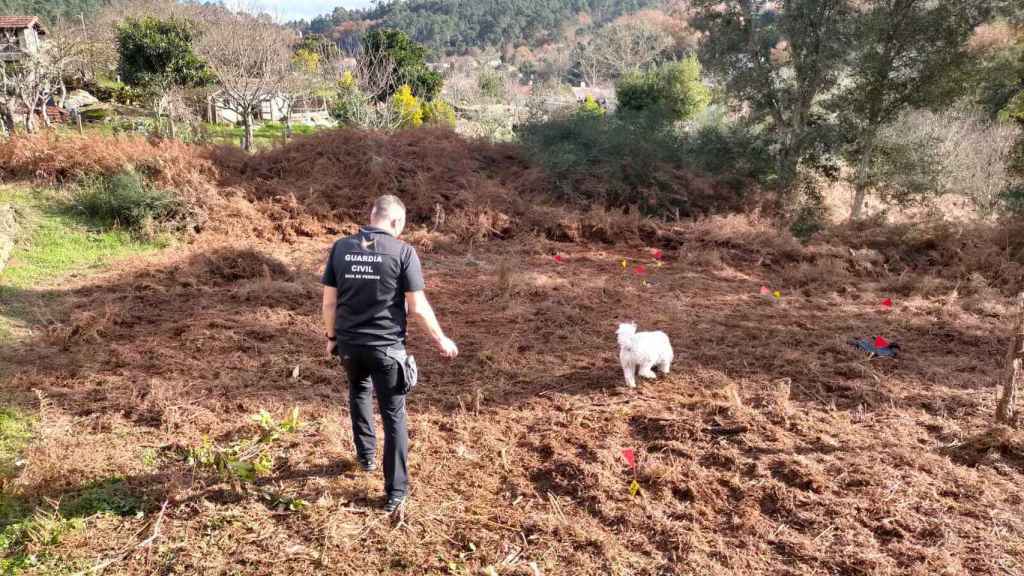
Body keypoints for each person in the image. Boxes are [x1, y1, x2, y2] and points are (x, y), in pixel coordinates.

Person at [321, 195, 458, 513]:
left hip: (351, 345)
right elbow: (418, 307)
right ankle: (395, 491)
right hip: (387, 349)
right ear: (396, 222)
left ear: (372, 216)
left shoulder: (341, 248)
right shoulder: (403, 252)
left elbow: (329, 303)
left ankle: (365, 456)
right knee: (394, 416)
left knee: (358, 392)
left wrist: (331, 337)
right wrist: (441, 339)